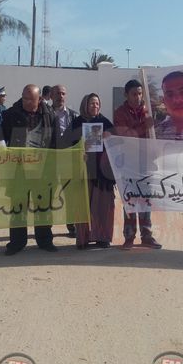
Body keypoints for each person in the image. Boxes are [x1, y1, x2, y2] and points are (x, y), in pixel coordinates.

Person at [1, 84, 58, 254]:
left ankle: (45, 241)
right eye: (24, 98)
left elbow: (55, 143)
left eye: (30, 99)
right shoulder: (11, 114)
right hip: (18, 170)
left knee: (44, 206)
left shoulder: (50, 115)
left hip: (43, 170)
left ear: (39, 99)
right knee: (18, 207)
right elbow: (1, 136)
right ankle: (17, 243)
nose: (25, 101)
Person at [113, 79, 162, 250]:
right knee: (130, 200)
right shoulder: (119, 113)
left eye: (140, 93)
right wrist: (144, 127)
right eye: (134, 94)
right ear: (126, 95)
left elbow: (158, 132)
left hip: (147, 162)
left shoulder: (148, 111)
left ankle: (146, 235)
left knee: (145, 200)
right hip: (129, 162)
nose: (138, 97)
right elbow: (125, 136)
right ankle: (129, 237)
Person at [72, 93, 115, 248]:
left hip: (103, 173)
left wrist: (110, 136)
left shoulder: (105, 122)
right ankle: (83, 239)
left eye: (97, 103)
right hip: (83, 170)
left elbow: (118, 142)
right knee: (83, 205)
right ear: (85, 105)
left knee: (103, 206)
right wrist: (79, 149)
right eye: (91, 103)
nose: (95, 106)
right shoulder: (77, 123)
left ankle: (102, 237)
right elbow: (67, 143)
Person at [51, 84, 79, 238]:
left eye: (62, 93)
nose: (60, 96)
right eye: (57, 93)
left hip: (68, 162)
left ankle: (72, 226)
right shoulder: (45, 114)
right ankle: (45, 229)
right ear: (51, 96)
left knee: (70, 195)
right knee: (48, 195)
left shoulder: (74, 116)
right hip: (50, 162)